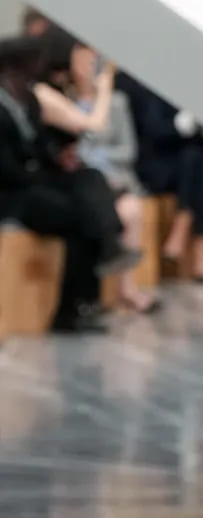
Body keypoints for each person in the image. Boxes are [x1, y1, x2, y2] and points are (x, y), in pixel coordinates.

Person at [0, 36, 135, 332]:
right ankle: (75, 306)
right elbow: (8, 167)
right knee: (81, 218)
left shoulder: (29, 101)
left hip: (36, 180)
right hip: (13, 194)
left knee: (90, 177)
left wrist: (57, 159)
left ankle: (107, 250)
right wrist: (40, 171)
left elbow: (39, 145)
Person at [37, 30, 159, 313]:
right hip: (80, 181)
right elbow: (91, 125)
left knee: (124, 208)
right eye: (82, 59)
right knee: (92, 208)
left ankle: (119, 286)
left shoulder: (116, 102)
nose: (88, 65)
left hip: (108, 179)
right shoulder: (55, 96)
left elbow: (124, 147)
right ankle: (93, 289)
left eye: (92, 60)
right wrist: (103, 91)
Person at [117, 71, 203, 283]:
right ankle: (202, 252)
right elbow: (149, 131)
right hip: (155, 165)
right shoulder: (135, 79)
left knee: (197, 160)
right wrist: (177, 127)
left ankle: (183, 222)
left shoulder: (191, 82)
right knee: (201, 165)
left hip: (189, 166)